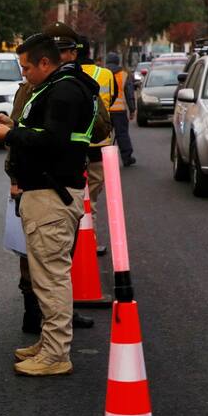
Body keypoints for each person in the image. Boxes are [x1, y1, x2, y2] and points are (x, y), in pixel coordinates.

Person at [0, 33, 98, 376]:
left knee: (51, 278)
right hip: (47, 192)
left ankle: (55, 354)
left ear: (45, 63)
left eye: (26, 68)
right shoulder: (58, 87)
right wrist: (16, 125)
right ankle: (50, 343)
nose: (24, 75)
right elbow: (47, 132)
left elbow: (51, 141)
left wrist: (10, 136)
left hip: (52, 195)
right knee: (45, 276)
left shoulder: (63, 91)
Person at [76, 35, 116, 255]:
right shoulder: (105, 75)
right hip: (99, 144)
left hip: (73, 144)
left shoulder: (64, 75)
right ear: (90, 52)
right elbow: (111, 100)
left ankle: (75, 239)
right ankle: (90, 239)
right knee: (92, 197)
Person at [106, 52, 136, 166]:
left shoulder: (102, 73)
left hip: (105, 111)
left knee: (104, 136)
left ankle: (103, 158)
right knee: (122, 134)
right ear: (118, 62)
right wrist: (132, 110)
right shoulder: (124, 74)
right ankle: (126, 158)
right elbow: (129, 94)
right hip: (119, 111)